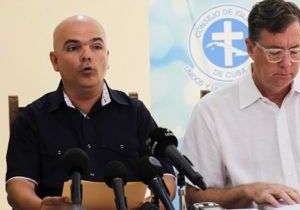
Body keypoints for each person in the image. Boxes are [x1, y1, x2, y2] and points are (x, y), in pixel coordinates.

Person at [181, 0, 300, 209]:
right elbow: (194, 197)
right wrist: (247, 192)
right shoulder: (211, 111)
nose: (287, 63)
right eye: (275, 53)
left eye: (295, 51)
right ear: (250, 48)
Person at [6, 15, 176, 209]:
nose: (87, 55)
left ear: (107, 56)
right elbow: (18, 186)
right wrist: (41, 207)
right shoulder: (32, 118)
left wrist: (151, 205)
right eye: (73, 47)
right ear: (55, 61)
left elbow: (166, 177)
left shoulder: (135, 113)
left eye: (96, 47)